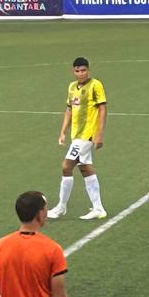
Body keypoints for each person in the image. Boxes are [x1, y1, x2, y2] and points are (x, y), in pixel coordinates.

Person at [48, 56, 107, 220]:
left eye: (83, 70)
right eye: (77, 71)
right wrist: (63, 131)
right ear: (73, 71)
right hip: (76, 135)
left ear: (88, 70)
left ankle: (61, 207)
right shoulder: (72, 87)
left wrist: (99, 134)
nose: (80, 73)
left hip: (87, 134)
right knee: (85, 167)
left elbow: (102, 109)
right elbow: (69, 110)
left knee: (66, 166)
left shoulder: (95, 85)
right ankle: (98, 208)